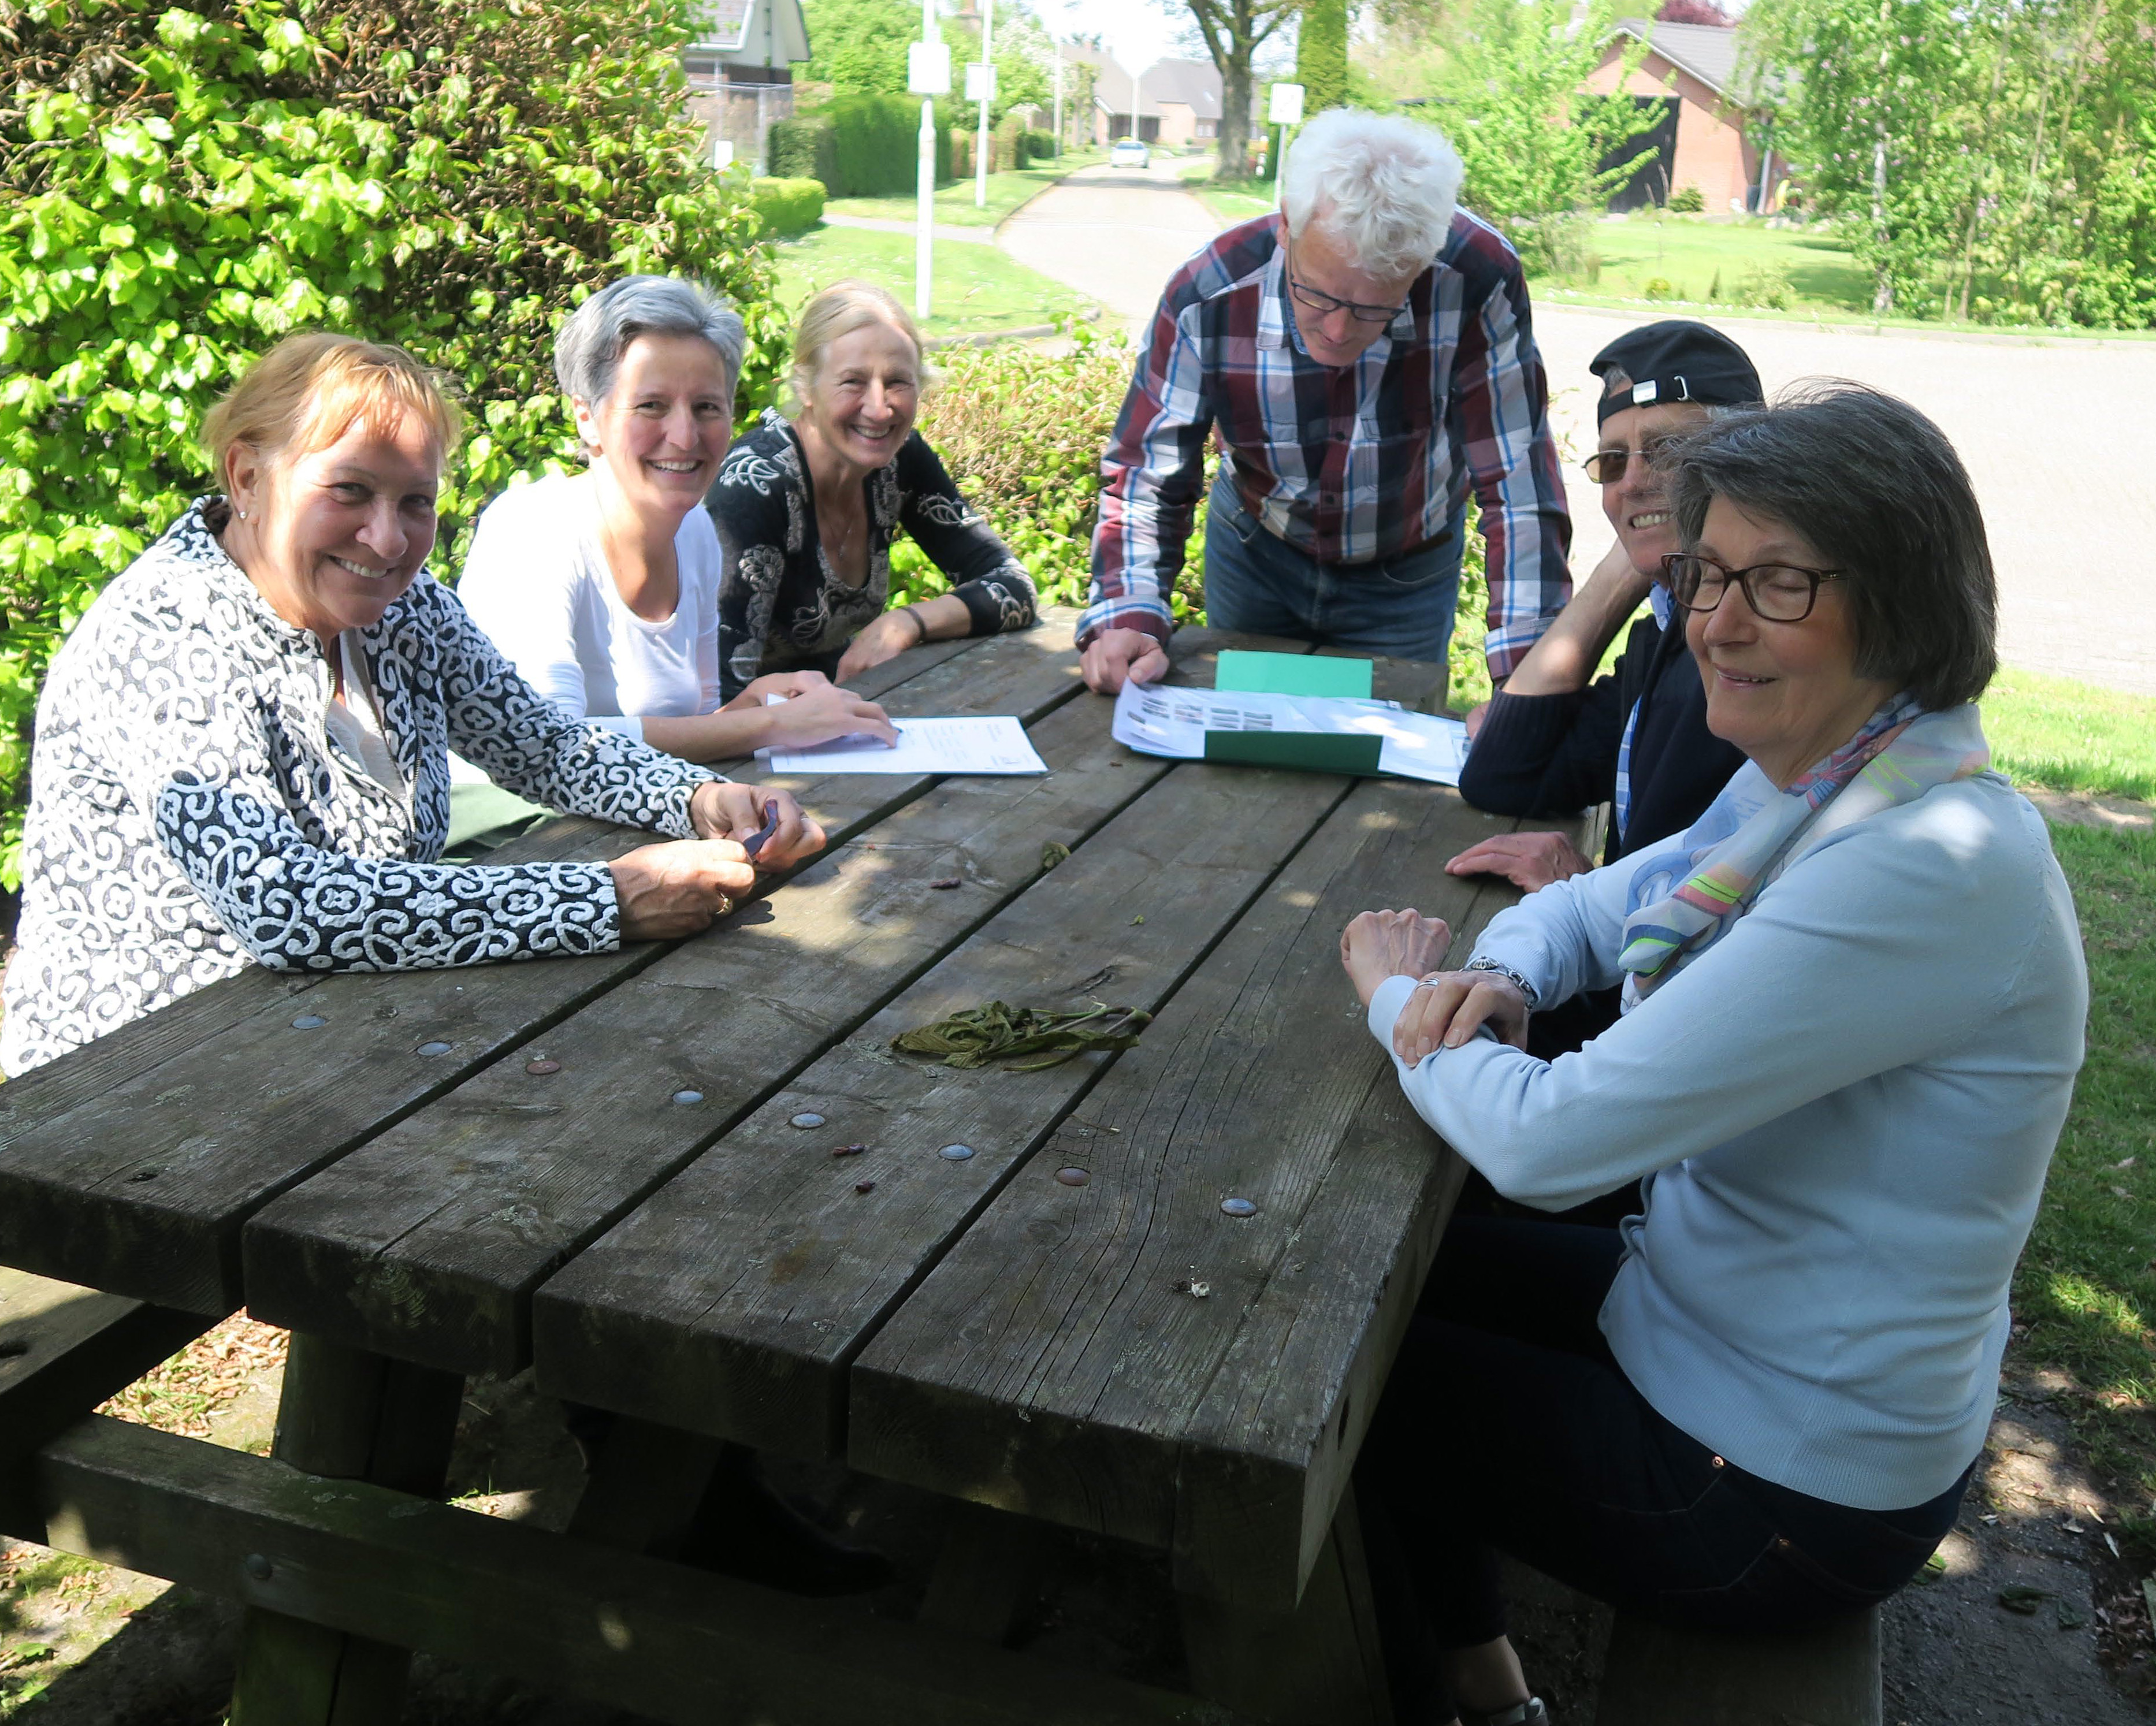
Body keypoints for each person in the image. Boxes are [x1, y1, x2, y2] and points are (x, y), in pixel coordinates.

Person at [1337, 384, 2087, 1726]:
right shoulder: (1837, 770)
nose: (1717, 623)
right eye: (1707, 575)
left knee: (1336, 1394)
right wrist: (1498, 976)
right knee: (1370, 1279)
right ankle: (1485, 1678)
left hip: (1777, 1487)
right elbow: (1598, 904)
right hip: (1702, 1324)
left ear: (1903, 602)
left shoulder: (1927, 863)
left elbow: (1553, 1142)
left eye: (1780, 583)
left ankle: (1447, 1695)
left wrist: (1399, 995)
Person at [1, 333, 821, 1078]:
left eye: (415, 503)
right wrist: (608, 899)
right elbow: (287, 906)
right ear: (247, 476)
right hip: (129, 1085)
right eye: (349, 491)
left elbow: (543, 746)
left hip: (327, 1039)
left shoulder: (403, 605)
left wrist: (698, 798)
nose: (388, 540)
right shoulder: (167, 633)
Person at [1078, 106, 1571, 697]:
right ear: (1287, 226)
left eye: (1373, 308)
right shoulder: (1209, 293)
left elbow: (1519, 484)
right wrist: (1128, 614)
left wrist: (1526, 684)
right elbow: (1147, 474)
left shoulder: (1479, 279)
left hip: (1408, 572)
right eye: (1316, 294)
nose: (1337, 332)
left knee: (1388, 741)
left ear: (1422, 264)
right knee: (1243, 735)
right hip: (1256, 554)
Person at [458, 276, 896, 761]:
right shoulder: (532, 531)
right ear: (586, 417)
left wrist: (753, 703)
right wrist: (769, 724)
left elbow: (697, 729)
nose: (685, 437)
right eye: (652, 406)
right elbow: (549, 745)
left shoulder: (695, 532)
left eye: (707, 407)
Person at [1449, 322, 1757, 897]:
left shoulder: (1747, 653)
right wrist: (1627, 565)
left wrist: (1586, 892)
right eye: (1613, 462)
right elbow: (1504, 776)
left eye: (1669, 450)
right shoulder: (1665, 637)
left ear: (1748, 460)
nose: (1633, 481)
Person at [708, 280, 1038, 701]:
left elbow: (1013, 585)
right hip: (759, 728)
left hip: (841, 706)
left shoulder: (899, 460)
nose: (880, 409)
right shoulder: (756, 484)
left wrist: (906, 622)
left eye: (898, 381)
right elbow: (722, 691)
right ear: (806, 388)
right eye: (853, 382)